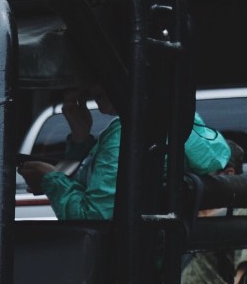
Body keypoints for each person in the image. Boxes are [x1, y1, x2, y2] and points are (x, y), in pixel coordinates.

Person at [18, 87, 228, 220]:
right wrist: (81, 138)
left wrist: (50, 180)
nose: (84, 80)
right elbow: (97, 187)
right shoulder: (160, 119)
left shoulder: (127, 133)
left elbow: (96, 218)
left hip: (124, 269)